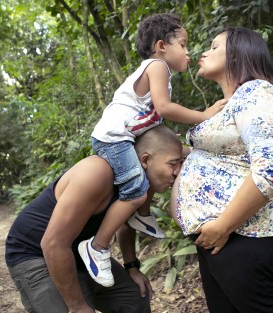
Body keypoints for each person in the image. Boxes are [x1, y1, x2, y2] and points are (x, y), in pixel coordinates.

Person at [83, 13, 226, 287]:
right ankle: (97, 246)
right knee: (136, 190)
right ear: (161, 46)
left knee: (144, 178)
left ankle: (141, 213)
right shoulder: (157, 66)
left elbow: (158, 139)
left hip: (123, 139)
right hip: (113, 139)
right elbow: (165, 108)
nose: (188, 52)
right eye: (183, 45)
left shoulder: (158, 72)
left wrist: (192, 150)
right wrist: (204, 114)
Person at [170, 27, 273, 312]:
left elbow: (272, 170)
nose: (203, 51)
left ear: (239, 54)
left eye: (214, 47)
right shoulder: (232, 104)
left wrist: (223, 226)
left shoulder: (258, 92)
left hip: (244, 235)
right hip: (221, 239)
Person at [5, 125, 183, 313]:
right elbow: (52, 244)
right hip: (36, 253)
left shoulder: (141, 183)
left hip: (76, 249)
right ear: (145, 159)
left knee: (136, 297)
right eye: (173, 164)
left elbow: (126, 223)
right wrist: (78, 306)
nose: (177, 171)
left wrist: (132, 267)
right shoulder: (97, 172)